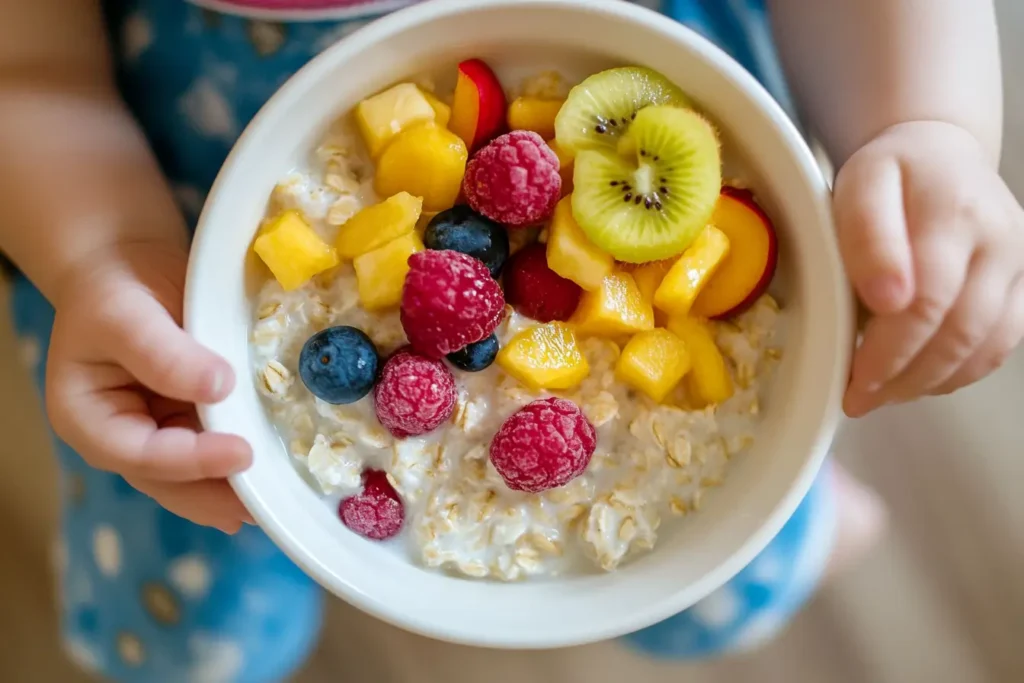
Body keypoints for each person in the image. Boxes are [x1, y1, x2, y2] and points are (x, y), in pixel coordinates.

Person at [0, 0, 1018, 680]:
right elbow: (26, 60)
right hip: (165, 223)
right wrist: (101, 250)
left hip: (642, 136)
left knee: (716, 591)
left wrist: (923, 123)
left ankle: (789, 542)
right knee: (186, 636)